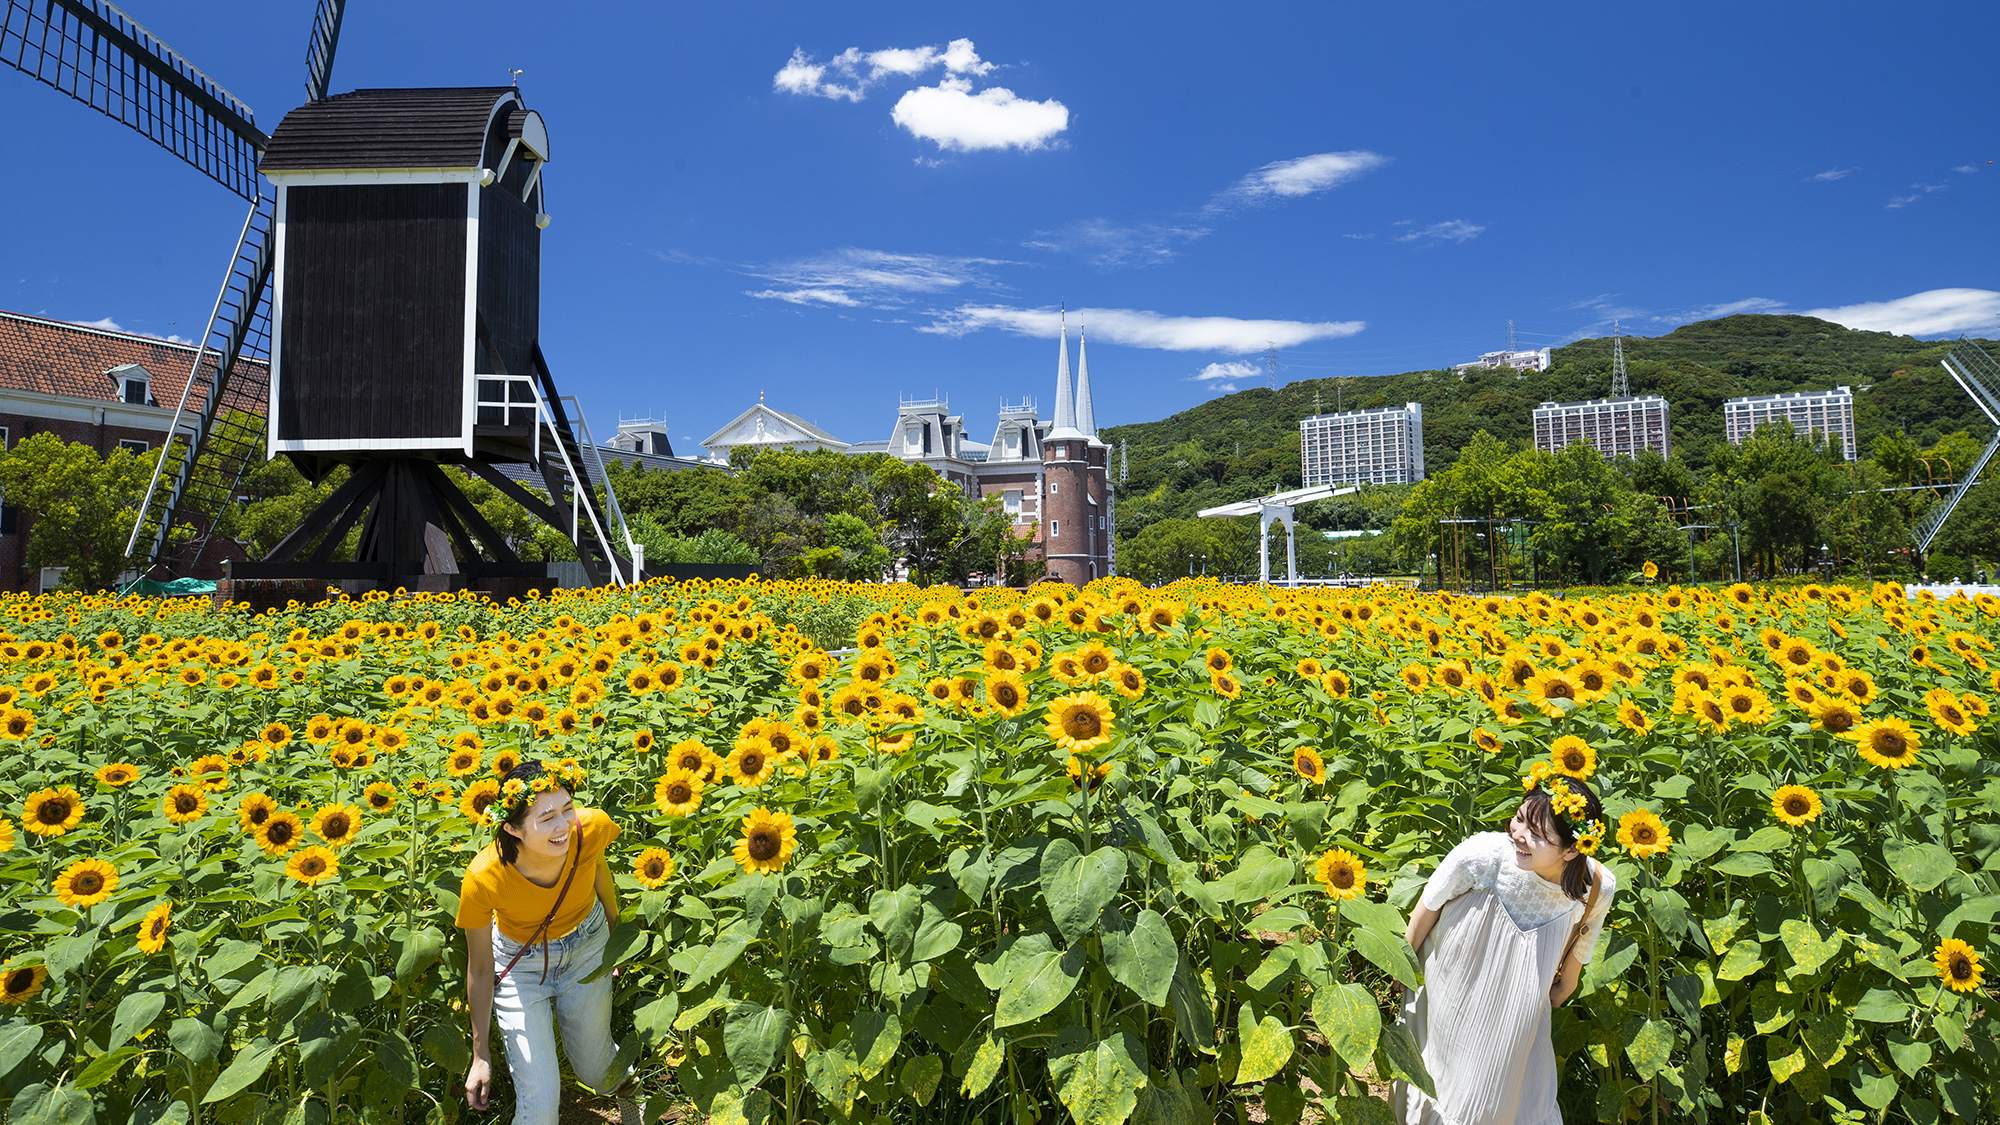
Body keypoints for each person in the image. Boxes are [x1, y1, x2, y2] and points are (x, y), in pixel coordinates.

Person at [1392, 774, 1617, 1125]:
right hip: (1451, 989)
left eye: (1538, 835)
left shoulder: (1596, 885)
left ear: (1572, 848)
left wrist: (1559, 987)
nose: (1519, 834)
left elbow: (1582, 944)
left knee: (1497, 1096)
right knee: (1436, 1078)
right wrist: (1402, 969)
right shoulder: (1486, 855)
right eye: (1519, 817)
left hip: (1514, 1012)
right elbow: (1428, 906)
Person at [457, 760, 640, 1124]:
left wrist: (617, 941)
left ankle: (635, 1109)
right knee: (539, 1105)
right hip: (519, 967)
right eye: (547, 818)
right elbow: (479, 967)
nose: (564, 826)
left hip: (588, 947)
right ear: (512, 828)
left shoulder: (590, 828)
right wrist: (480, 1055)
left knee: (598, 1069)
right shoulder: (484, 877)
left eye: (567, 809)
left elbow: (600, 874)